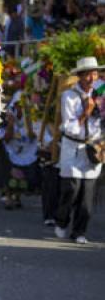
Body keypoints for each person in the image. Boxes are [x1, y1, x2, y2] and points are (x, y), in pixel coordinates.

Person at [54, 56, 104, 244]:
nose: (91, 78)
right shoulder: (69, 96)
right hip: (73, 147)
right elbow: (69, 127)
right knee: (71, 189)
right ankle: (61, 220)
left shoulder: (100, 94)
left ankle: (79, 232)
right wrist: (85, 113)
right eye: (87, 75)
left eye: (94, 74)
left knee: (87, 198)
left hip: (93, 148)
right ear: (80, 77)